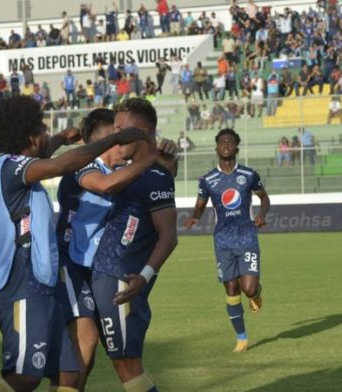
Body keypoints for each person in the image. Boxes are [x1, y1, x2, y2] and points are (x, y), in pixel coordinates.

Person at [0, 95, 152, 392]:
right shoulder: (10, 168)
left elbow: (45, 153)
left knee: (68, 376)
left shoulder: (16, 165)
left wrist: (61, 136)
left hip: (41, 286)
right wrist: (117, 139)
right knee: (25, 377)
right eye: (43, 130)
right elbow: (61, 164)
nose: (48, 136)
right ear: (30, 137)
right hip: (20, 284)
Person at [57, 108, 174, 390]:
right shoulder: (85, 166)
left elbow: (154, 190)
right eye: (117, 135)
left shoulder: (122, 170)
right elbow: (107, 186)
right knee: (85, 343)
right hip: (70, 264)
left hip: (99, 267)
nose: (123, 141)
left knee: (91, 356)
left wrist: (166, 164)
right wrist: (149, 159)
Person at [92, 98, 178, 391]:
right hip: (104, 275)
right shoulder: (139, 170)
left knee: (127, 365)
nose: (114, 136)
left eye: (120, 129)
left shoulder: (154, 175)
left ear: (142, 131)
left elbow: (169, 236)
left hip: (121, 280)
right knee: (81, 362)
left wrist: (145, 276)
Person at [184, 128, 270, 353]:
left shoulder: (249, 175)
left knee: (248, 289)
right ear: (216, 147)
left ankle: (256, 294)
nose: (226, 145)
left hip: (247, 237)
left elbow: (264, 197)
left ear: (236, 148)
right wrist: (194, 216)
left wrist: (262, 214)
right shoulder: (208, 180)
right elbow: (200, 204)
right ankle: (241, 338)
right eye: (222, 142)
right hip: (223, 240)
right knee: (231, 289)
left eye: (230, 142)